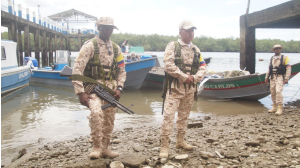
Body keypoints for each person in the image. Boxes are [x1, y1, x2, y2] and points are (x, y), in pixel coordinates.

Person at [72, 16, 126, 159]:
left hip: (111, 90)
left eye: (111, 28)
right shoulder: (90, 45)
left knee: (109, 119)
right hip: (92, 89)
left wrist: (119, 88)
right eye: (105, 27)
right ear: (99, 28)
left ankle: (106, 148)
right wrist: (80, 92)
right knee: (96, 113)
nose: (108, 30)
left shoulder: (116, 48)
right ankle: (96, 147)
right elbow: (77, 70)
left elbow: (122, 71)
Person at [159, 20, 207, 158]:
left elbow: (203, 66)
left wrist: (195, 77)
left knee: (184, 116)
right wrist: (183, 77)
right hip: (175, 88)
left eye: (192, 30)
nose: (191, 33)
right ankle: (165, 146)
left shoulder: (196, 49)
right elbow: (168, 65)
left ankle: (180, 141)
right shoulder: (173, 46)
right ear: (180, 32)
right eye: (188, 30)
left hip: (190, 89)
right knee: (168, 116)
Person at [265, 45, 291, 115]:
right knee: (272, 92)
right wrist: (266, 77)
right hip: (272, 77)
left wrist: (286, 78)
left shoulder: (284, 58)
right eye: (276, 49)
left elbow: (288, 68)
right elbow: (269, 68)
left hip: (280, 77)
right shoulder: (272, 58)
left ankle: (280, 108)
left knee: (278, 91)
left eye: (279, 48)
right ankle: (274, 107)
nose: (277, 50)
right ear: (274, 50)